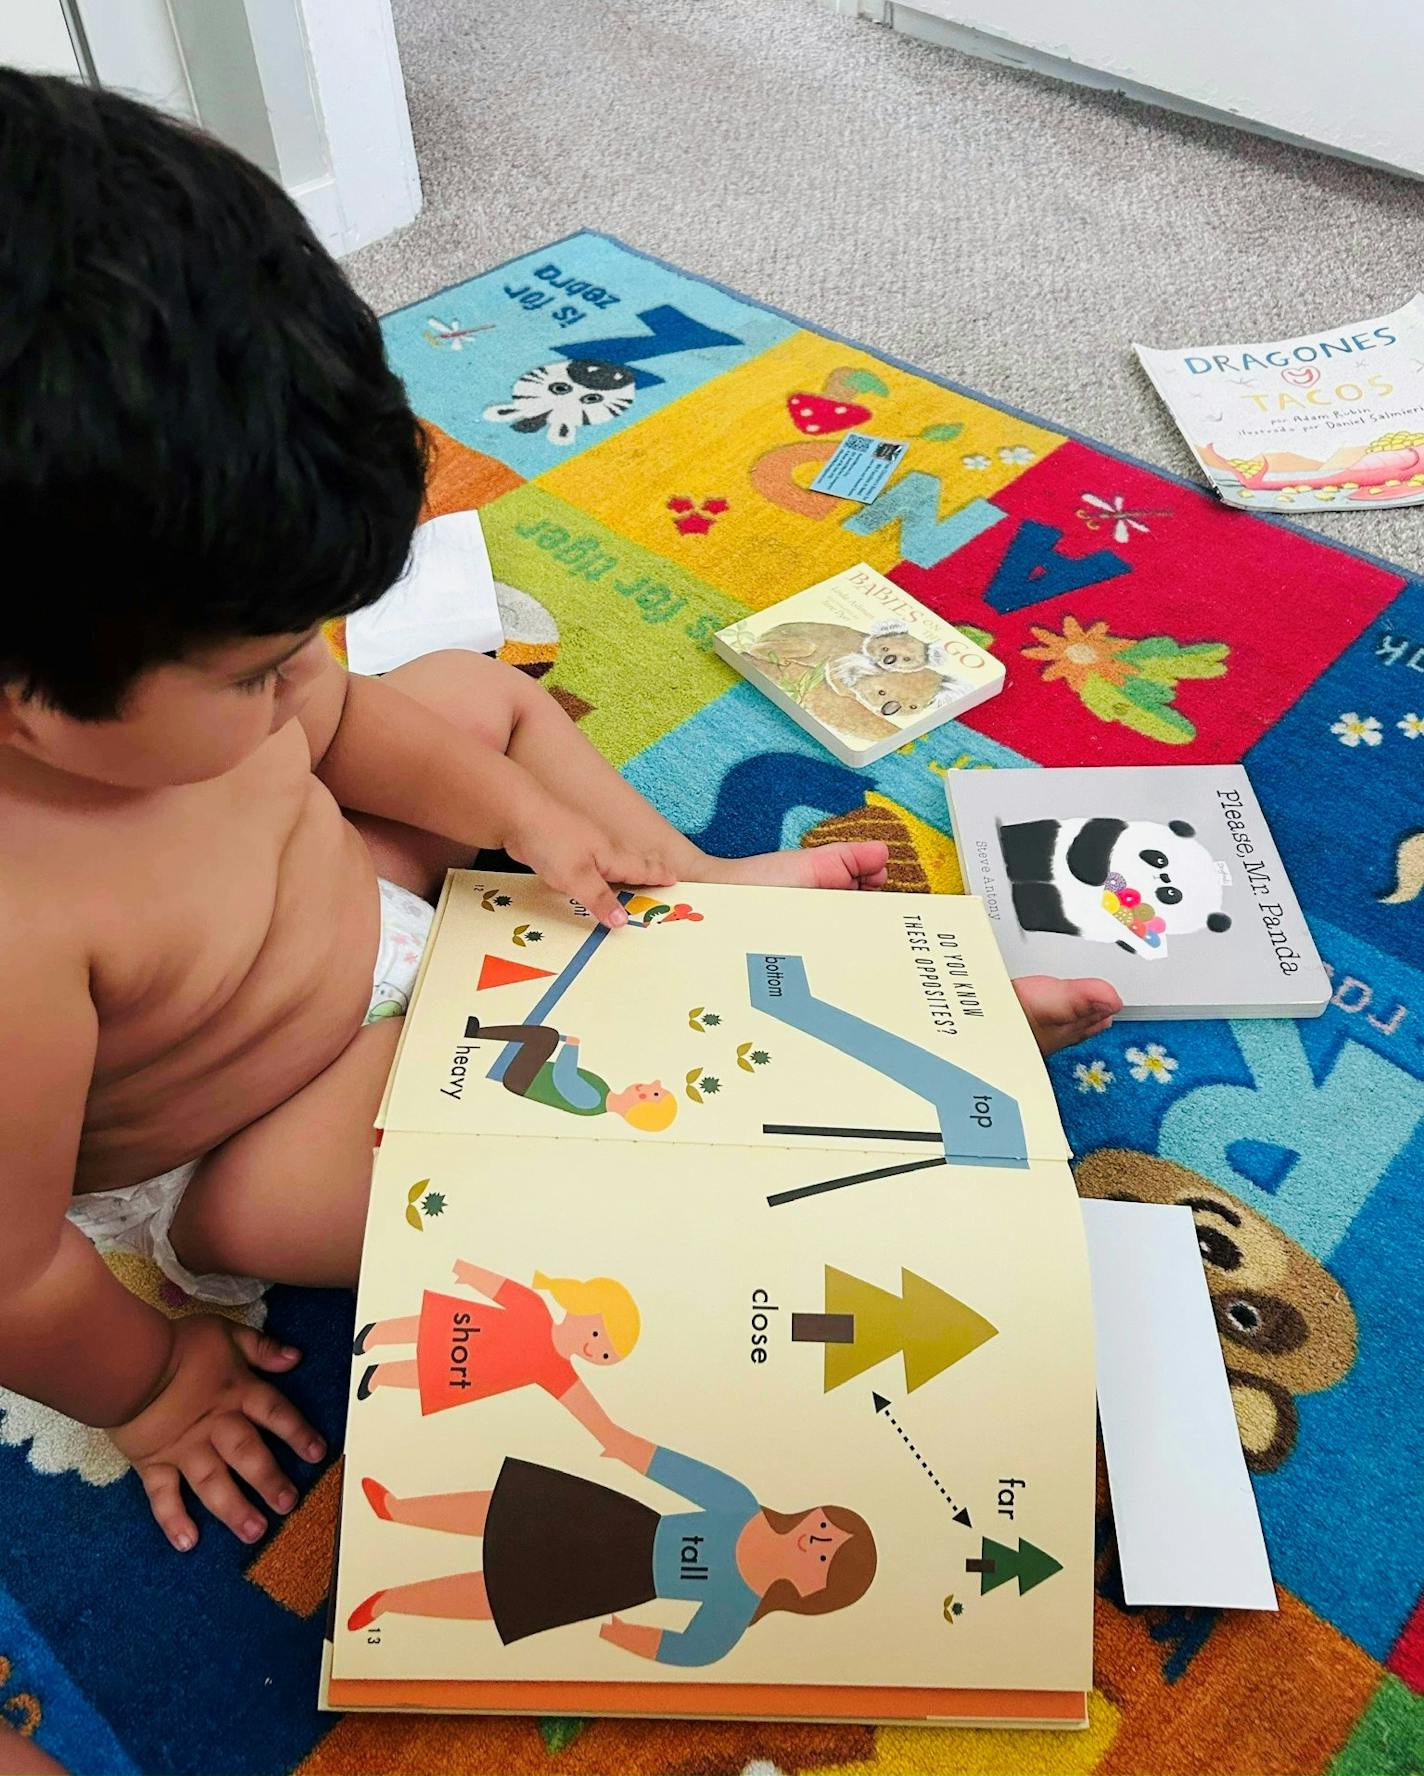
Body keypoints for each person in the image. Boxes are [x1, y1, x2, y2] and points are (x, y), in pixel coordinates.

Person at [0, 74, 1119, 1557]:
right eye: (259, 667)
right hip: (251, 1129)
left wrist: (529, 819)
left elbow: (340, 726)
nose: (300, 678)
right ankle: (866, 1072)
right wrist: (147, 1392)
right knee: (425, 1168)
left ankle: (686, 889)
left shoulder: (184, 666)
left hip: (351, 904)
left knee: (467, 697)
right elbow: (13, 1272)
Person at [346, 1436, 877, 1668]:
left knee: (505, 1594)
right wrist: (621, 1444)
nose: (818, 1540)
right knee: (513, 1509)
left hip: (621, 1583)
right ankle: (400, 1510)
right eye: (827, 1528)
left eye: (826, 1556)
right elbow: (676, 1471)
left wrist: (621, 1635)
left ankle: (391, 1600)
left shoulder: (740, 1605)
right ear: (817, 1513)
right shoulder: (741, 1505)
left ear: (813, 1590)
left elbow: (696, 1650)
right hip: (626, 1523)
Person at [353, 1264, 641, 1450]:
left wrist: (608, 1433)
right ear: (582, 1305)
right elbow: (503, 1289)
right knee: (428, 1327)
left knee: (433, 1374)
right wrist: (465, 1270)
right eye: (596, 1334)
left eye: (605, 1354)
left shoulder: (559, 1372)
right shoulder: (536, 1307)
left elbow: (583, 1405)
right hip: (472, 1327)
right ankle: (376, 1334)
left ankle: (381, 1374)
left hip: (480, 1373)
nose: (594, 1350)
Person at [463, 1017, 676, 1127]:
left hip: (522, 1080)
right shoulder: (602, 1093)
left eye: (656, 1093)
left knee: (547, 1037)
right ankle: (479, 1034)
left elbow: (563, 1077)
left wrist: (571, 1048)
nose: (654, 1084)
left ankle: (477, 1034)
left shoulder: (593, 1101)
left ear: (641, 1101)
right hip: (530, 1074)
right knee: (545, 1038)